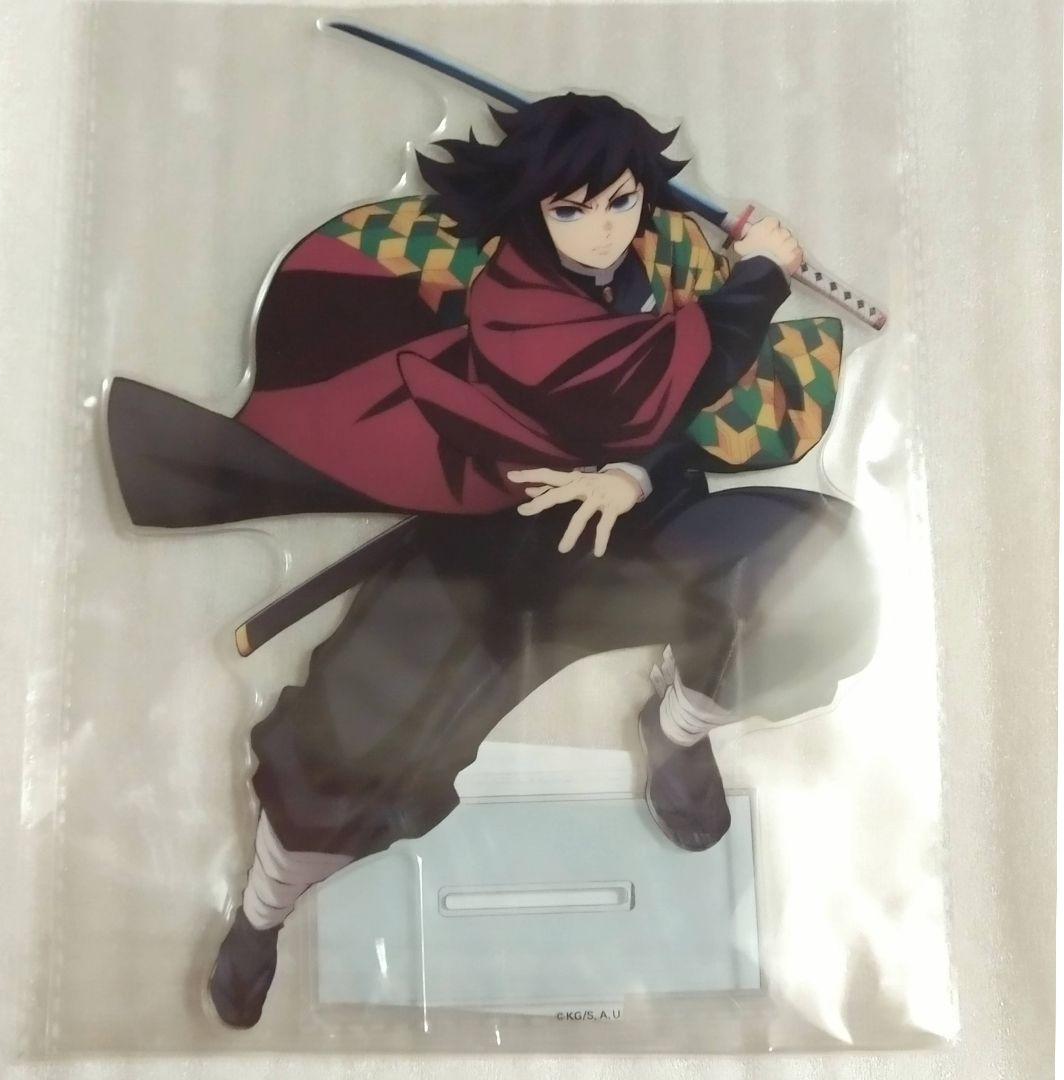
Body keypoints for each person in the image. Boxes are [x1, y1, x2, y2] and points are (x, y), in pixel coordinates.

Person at [106, 93, 877, 1028]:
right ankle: (262, 913)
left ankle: (678, 726)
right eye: (571, 209)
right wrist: (760, 277)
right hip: (496, 562)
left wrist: (631, 475)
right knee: (351, 742)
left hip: (634, 539)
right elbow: (635, 383)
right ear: (531, 211)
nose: (603, 228)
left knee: (811, 567)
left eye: (621, 200)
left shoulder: (663, 263)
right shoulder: (512, 300)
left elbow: (677, 409)